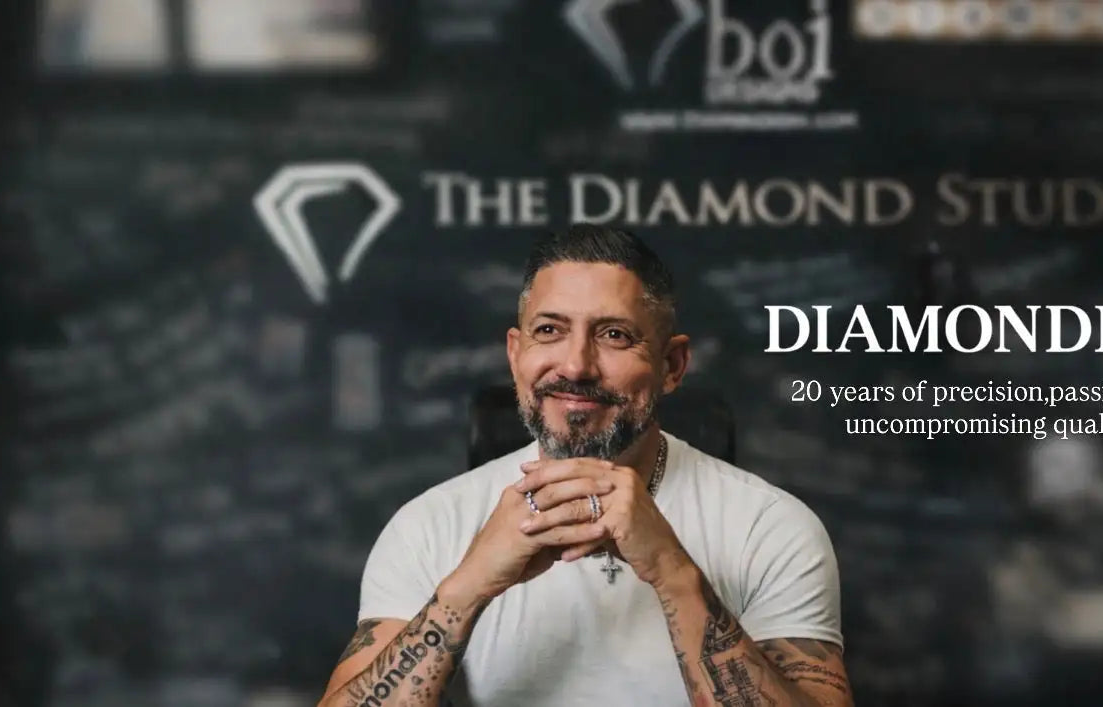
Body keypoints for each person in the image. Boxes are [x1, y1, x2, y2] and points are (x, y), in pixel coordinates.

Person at [318, 225, 852, 707]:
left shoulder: (770, 526)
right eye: (549, 330)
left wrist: (672, 570)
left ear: (672, 366)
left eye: (614, 335)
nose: (575, 365)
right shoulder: (429, 527)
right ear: (515, 353)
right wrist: (468, 585)